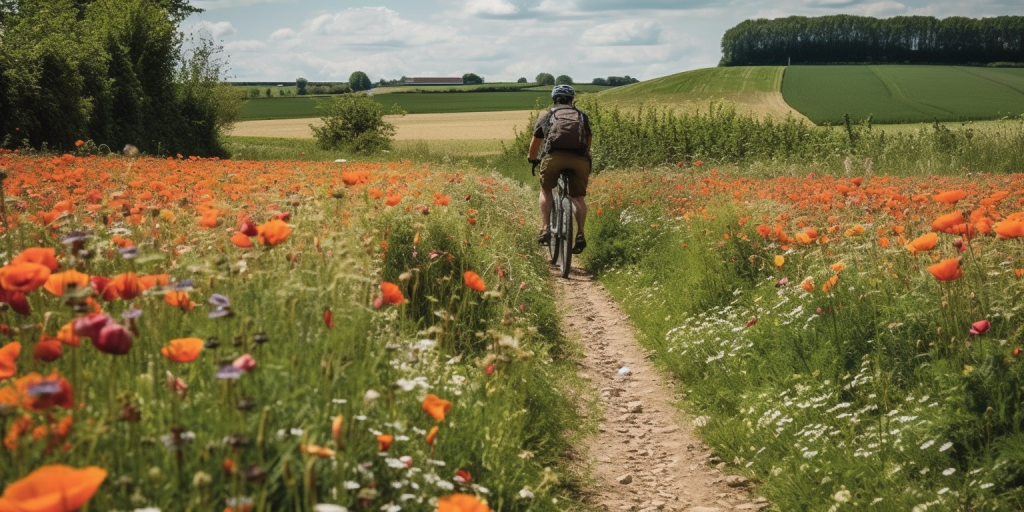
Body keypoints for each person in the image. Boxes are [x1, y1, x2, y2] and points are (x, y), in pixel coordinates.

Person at [527, 84, 592, 253]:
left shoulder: (548, 115)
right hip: (579, 159)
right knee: (578, 197)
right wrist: (585, 157)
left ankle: (545, 227)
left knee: (546, 189)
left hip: (553, 157)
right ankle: (580, 233)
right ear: (572, 100)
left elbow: (536, 142)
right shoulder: (582, 116)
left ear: (554, 98)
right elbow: (588, 140)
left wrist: (532, 158)